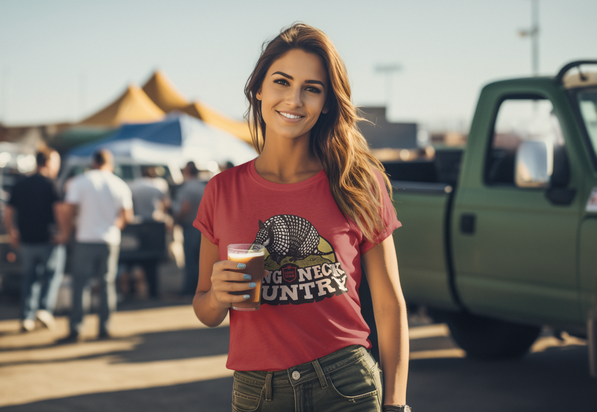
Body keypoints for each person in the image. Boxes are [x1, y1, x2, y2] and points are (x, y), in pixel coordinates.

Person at [192, 24, 410, 412]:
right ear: (258, 89)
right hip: (258, 392)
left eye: (311, 88)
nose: (294, 100)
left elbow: (389, 303)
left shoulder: (358, 183)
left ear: (326, 102)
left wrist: (396, 404)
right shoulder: (221, 191)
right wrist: (217, 295)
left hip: (347, 385)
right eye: (281, 82)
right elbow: (205, 311)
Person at [59, 149, 133, 342]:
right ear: (111, 163)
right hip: (109, 240)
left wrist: (67, 231)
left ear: (93, 162)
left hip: (85, 238)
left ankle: (76, 329)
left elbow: (69, 209)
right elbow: (127, 216)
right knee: (107, 284)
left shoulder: (80, 182)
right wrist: (113, 226)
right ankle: (105, 328)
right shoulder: (119, 184)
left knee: (80, 284)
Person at [4, 148, 66, 332]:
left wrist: (12, 232)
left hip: (26, 240)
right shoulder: (51, 184)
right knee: (51, 275)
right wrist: (63, 232)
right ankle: (44, 310)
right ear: (47, 162)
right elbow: (59, 211)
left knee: (29, 278)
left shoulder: (21, 184)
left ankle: (27, 317)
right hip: (49, 239)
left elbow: (8, 213)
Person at [123, 166, 170, 299]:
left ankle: (130, 291)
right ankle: (154, 292)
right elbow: (166, 204)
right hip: (154, 225)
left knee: (130, 262)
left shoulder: (133, 186)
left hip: (136, 226)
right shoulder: (157, 187)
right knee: (152, 263)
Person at [172, 161, 205, 296]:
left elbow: (185, 208)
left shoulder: (187, 188)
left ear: (187, 171)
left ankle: (190, 289)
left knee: (191, 260)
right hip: (203, 228)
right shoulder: (203, 187)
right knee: (201, 260)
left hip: (191, 226)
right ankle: (201, 287)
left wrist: (176, 219)